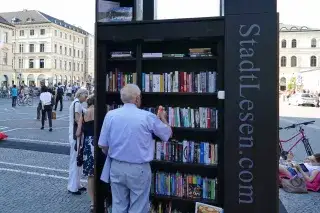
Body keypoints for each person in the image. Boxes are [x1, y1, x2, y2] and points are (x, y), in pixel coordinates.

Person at [98, 84, 172, 213]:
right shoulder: (147, 116)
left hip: (116, 166)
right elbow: (167, 134)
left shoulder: (110, 115)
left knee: (118, 206)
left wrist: (115, 153)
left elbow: (102, 145)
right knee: (138, 207)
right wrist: (163, 118)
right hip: (139, 168)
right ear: (137, 98)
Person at [68, 88, 88, 195]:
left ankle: (77, 184)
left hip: (76, 134)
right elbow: (77, 119)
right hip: (77, 135)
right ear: (80, 95)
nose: (86, 98)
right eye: (85, 95)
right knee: (76, 160)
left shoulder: (76, 103)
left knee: (78, 160)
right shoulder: (77, 104)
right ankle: (72, 186)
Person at [76, 94, 95, 211]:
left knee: (90, 175)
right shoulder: (102, 111)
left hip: (88, 144)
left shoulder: (84, 114)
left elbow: (78, 133)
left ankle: (93, 202)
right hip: (99, 142)